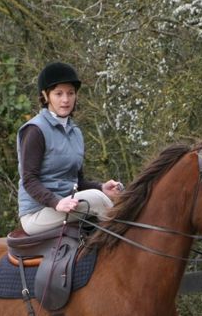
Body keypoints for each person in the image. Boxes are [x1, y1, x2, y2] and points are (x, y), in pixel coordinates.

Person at [16, 62, 123, 235]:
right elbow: (29, 179)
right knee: (96, 200)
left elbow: (77, 182)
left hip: (69, 205)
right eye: (58, 94)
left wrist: (101, 187)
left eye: (70, 93)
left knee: (110, 197)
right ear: (45, 95)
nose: (65, 100)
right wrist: (56, 202)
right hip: (38, 212)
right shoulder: (35, 130)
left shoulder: (76, 133)